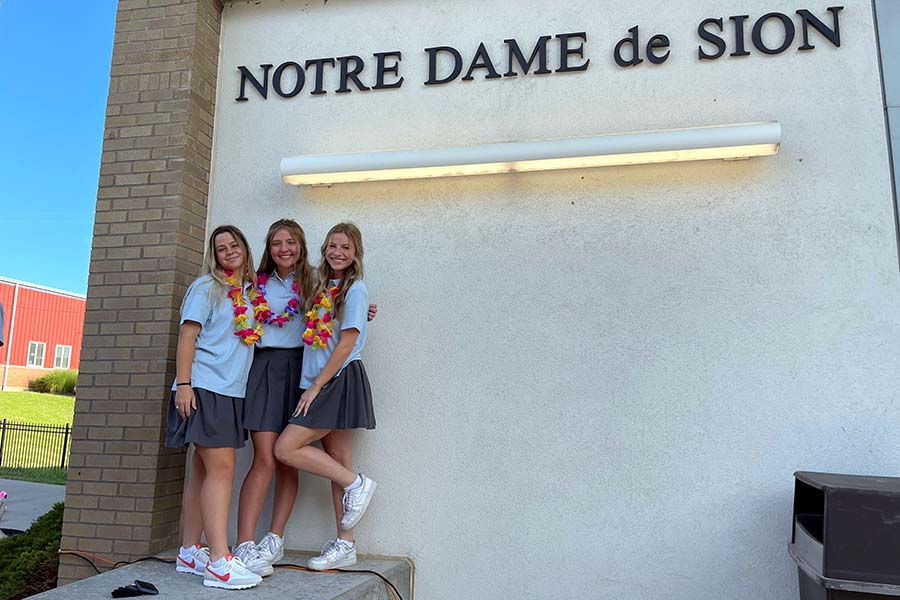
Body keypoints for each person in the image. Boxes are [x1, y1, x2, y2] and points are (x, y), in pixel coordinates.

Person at [233, 219, 379, 575]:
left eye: (291, 242)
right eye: (276, 242)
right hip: (283, 373)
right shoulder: (261, 284)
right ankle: (248, 545)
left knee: (315, 455)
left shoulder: (320, 282)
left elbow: (346, 331)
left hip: (320, 375)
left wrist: (364, 311)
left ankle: (343, 532)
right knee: (276, 456)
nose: (284, 248)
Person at [166, 224, 264, 590]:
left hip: (230, 390)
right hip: (205, 387)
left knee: (204, 471)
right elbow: (187, 335)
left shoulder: (251, 294)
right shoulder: (207, 288)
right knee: (222, 469)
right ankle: (221, 562)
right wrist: (185, 385)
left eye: (234, 244)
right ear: (215, 256)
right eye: (221, 248)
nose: (229, 251)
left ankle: (191, 550)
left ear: (244, 248)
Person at [274, 222, 377, 571]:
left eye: (345, 247)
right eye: (333, 246)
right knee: (338, 461)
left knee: (286, 448)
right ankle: (346, 543)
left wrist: (316, 386)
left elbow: (347, 342)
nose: (337, 252)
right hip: (317, 379)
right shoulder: (321, 285)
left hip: (335, 379)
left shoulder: (356, 289)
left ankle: (357, 484)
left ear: (356, 252)